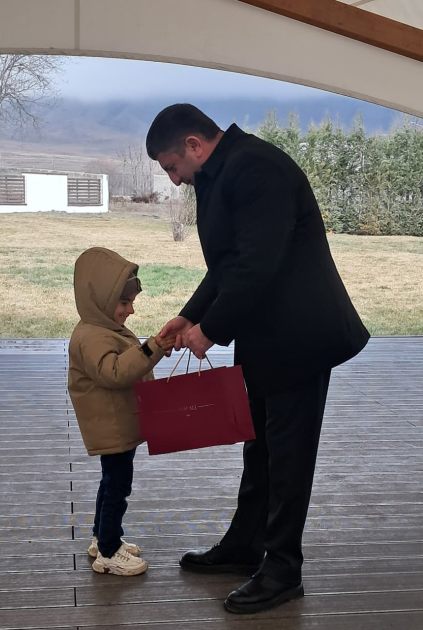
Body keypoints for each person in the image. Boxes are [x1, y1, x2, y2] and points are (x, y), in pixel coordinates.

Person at [146, 104, 370, 613]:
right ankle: (246, 544)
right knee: (261, 447)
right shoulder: (222, 171)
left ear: (194, 145)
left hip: (301, 337)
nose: (174, 180)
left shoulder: (257, 167)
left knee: (289, 457)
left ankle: (283, 570)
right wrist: (190, 316)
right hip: (266, 334)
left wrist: (210, 330)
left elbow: (257, 263)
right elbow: (227, 263)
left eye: (172, 167)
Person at [68, 247, 175, 576]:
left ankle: (101, 537)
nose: (131, 310)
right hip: (112, 427)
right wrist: (153, 347)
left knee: (110, 482)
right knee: (117, 487)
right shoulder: (92, 337)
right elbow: (113, 373)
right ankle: (109, 551)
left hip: (116, 423)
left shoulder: (103, 329)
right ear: (101, 300)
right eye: (124, 303)